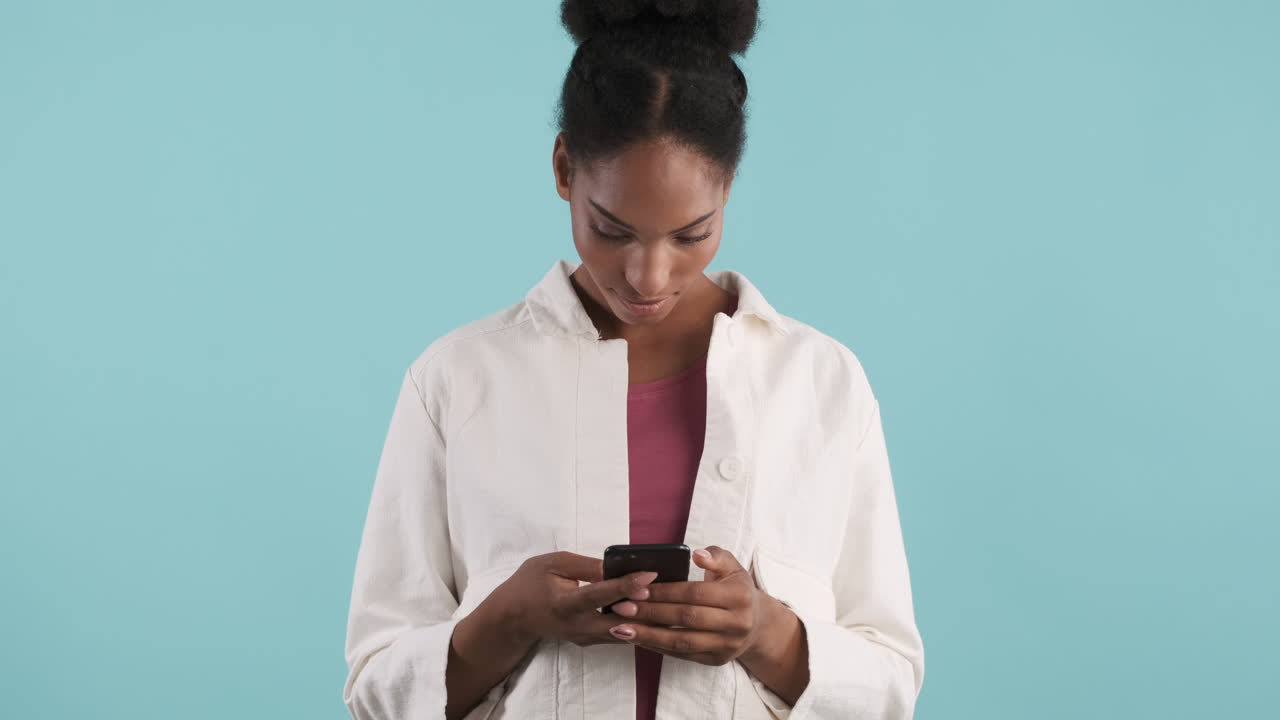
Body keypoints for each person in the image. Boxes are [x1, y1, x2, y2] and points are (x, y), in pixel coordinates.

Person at [342, 1, 925, 718]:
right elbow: (375, 690)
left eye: (691, 233)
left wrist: (767, 632)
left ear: (728, 190)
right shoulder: (456, 382)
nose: (647, 277)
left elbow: (892, 683)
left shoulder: (823, 384)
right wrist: (508, 619)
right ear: (563, 169)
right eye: (612, 229)